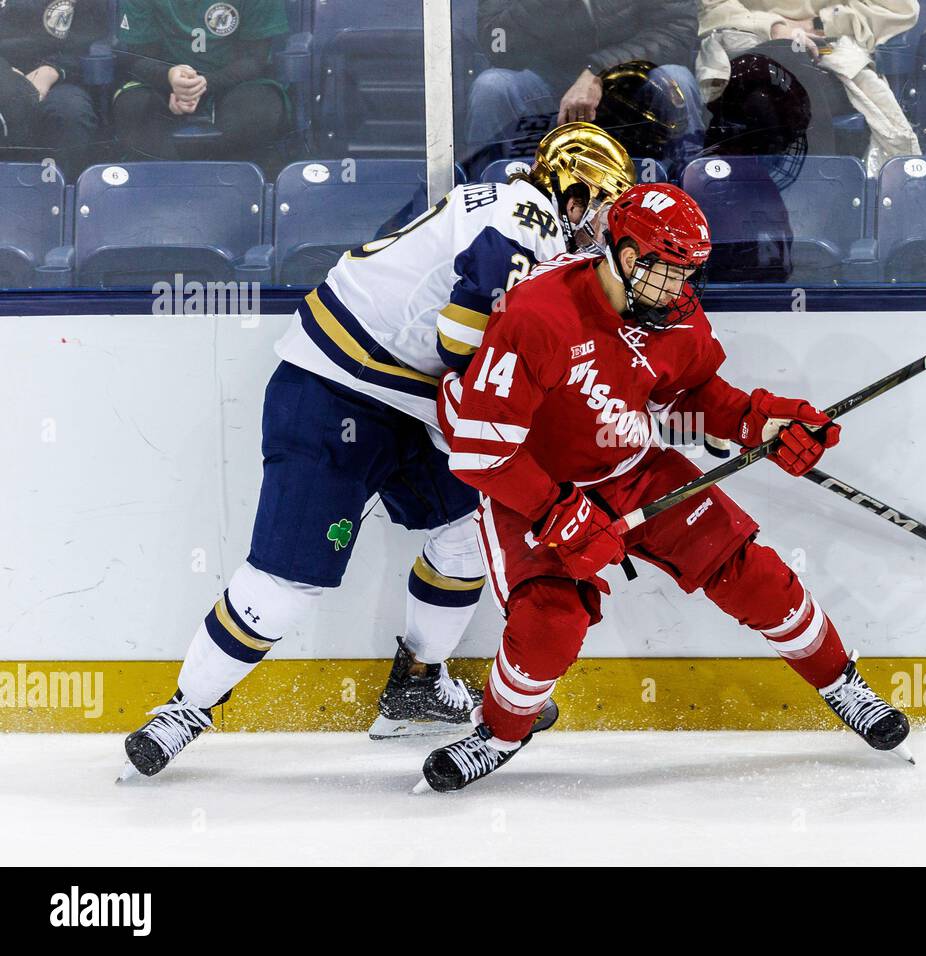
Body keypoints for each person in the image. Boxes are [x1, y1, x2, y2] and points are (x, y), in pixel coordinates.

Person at [119, 124, 637, 779]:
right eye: (599, 206)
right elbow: (464, 328)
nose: (599, 228)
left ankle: (417, 683)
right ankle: (183, 710)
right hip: (337, 390)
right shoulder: (526, 217)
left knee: (468, 531)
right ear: (573, 193)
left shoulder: (497, 199)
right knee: (286, 580)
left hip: (405, 399)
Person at [417, 183, 912, 792]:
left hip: (632, 469)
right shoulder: (538, 314)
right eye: (670, 273)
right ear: (627, 258)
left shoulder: (671, 314)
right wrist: (557, 511)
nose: (682, 289)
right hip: (531, 484)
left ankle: (842, 684)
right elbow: (480, 450)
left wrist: (763, 421)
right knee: (549, 623)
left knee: (754, 573)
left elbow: (694, 396)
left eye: (688, 274)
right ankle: (496, 733)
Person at [468, 0, 706, 176]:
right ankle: (489, 207)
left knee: (677, 81)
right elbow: (496, 44)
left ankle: (688, 203)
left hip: (631, 84)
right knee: (493, 87)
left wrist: (598, 71)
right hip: (546, 83)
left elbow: (677, 32)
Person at [696, 0, 920, 176]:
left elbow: (899, 8)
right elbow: (714, 6)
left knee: (788, 71)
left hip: (828, 51)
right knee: (779, 66)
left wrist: (820, 23)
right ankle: (819, 191)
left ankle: (813, 194)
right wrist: (773, 27)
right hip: (749, 41)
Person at [111, 0, 289, 161]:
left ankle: (227, 186)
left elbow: (255, 58)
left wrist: (204, 84)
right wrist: (169, 77)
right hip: (164, 84)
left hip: (236, 84)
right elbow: (139, 57)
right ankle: (169, 185)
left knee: (258, 111)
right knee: (133, 106)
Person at [0, 0, 108, 172]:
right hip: (4, 71)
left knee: (71, 112)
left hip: (59, 75)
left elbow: (94, 42)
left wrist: (53, 70)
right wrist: (6, 73)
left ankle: (70, 190)